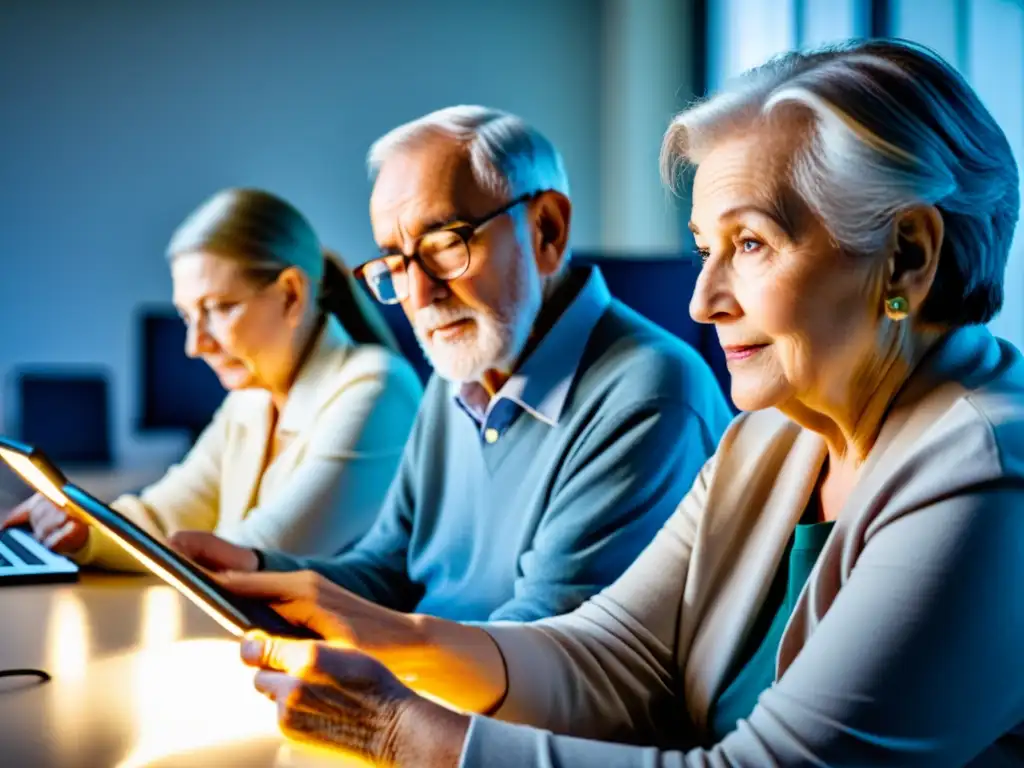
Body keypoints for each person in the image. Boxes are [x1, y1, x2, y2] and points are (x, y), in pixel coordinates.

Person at [218, 40, 1024, 766]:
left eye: (750, 245)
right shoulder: (773, 439)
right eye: (707, 250)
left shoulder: (984, 473)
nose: (703, 301)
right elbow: (617, 654)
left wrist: (405, 733)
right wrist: (390, 637)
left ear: (908, 255)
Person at [171, 106, 732, 623]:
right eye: (394, 259)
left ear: (546, 231)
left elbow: (547, 649)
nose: (418, 292)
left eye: (444, 243)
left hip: (503, 715)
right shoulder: (458, 376)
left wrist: (373, 681)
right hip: (437, 693)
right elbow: (392, 570)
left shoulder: (650, 393)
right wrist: (257, 569)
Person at [2, 188, 423, 569]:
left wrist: (100, 535)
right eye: (188, 316)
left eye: (219, 308)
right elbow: (164, 514)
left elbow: (253, 556)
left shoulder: (377, 388)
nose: (194, 344)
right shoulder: (252, 400)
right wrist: (82, 527)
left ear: (292, 295)